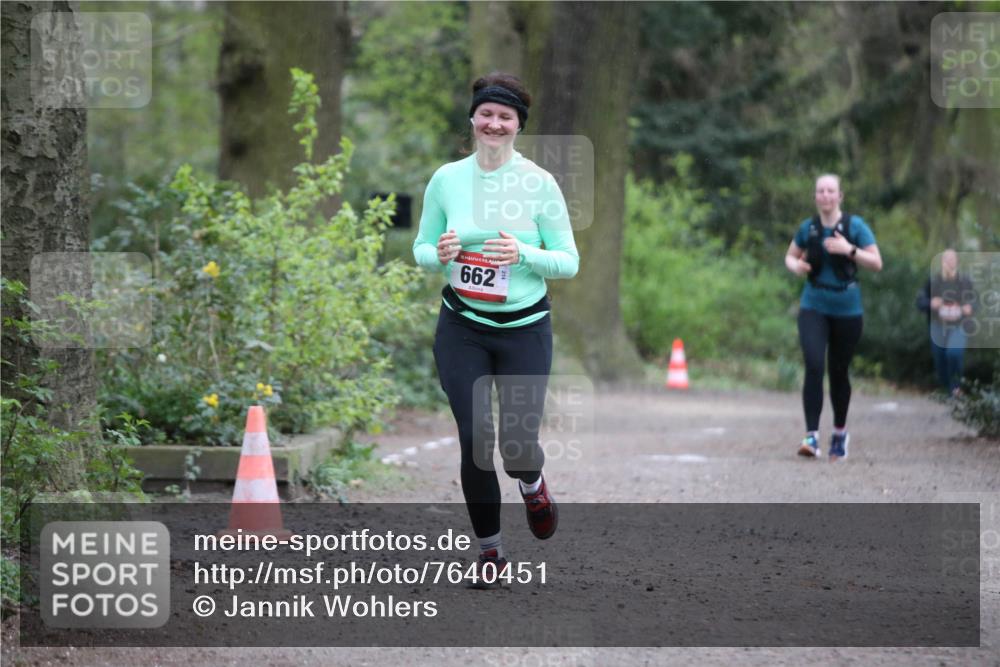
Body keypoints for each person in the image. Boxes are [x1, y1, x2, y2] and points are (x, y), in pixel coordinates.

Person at [412, 73, 579, 587]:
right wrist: (437, 253)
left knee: (517, 445)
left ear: (517, 127)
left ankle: (532, 484)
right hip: (462, 326)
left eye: (505, 117)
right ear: (473, 118)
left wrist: (522, 253)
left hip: (525, 329)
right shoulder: (447, 179)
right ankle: (491, 555)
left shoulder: (540, 183)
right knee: (475, 439)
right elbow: (421, 248)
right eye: (486, 113)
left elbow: (568, 261)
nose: (494, 123)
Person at [784, 174, 882, 462]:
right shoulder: (809, 228)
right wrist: (797, 267)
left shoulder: (855, 226)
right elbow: (790, 256)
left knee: (838, 372)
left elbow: (876, 262)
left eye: (831, 191)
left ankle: (839, 433)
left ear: (840, 196)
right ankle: (811, 436)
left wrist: (849, 250)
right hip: (813, 304)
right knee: (814, 364)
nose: (825, 195)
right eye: (820, 191)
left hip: (848, 309)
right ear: (815, 197)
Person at [928, 249, 976, 397]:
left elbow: (976, 300)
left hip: (958, 325)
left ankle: (956, 388)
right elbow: (920, 300)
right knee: (940, 359)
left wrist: (970, 307)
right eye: (946, 259)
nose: (949, 262)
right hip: (938, 326)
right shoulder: (934, 281)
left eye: (952, 259)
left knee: (954, 353)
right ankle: (948, 388)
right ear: (942, 261)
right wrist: (930, 303)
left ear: (957, 261)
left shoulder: (965, 281)